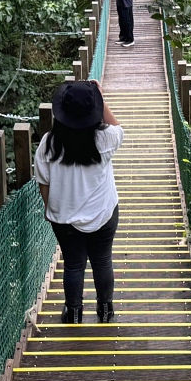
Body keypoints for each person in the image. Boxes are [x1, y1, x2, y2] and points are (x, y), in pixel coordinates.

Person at [35, 80, 124, 323]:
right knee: (102, 260)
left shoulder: (48, 144)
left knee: (73, 265)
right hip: (104, 213)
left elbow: (44, 183)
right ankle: (106, 310)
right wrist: (101, 99)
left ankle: (73, 313)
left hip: (64, 219)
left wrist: (51, 209)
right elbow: (119, 129)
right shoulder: (104, 140)